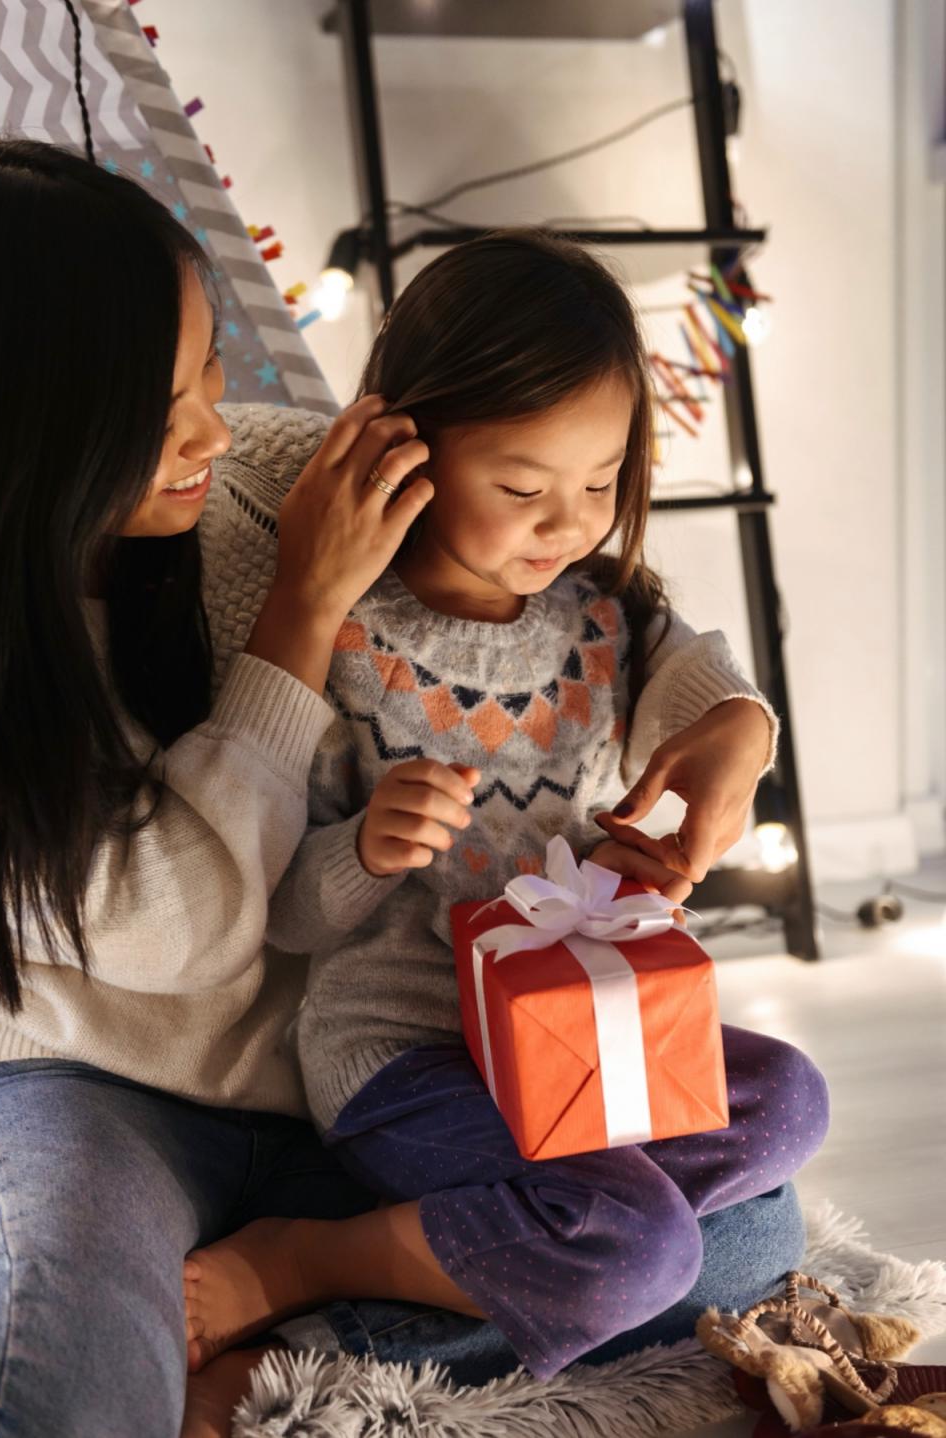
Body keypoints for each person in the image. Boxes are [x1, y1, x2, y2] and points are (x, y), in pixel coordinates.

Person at [181, 233, 830, 1419]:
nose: (568, 522)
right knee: (652, 1250)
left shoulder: (604, 618)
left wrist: (741, 729)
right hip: (410, 1062)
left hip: (582, 1044)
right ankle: (306, 1267)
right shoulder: (347, 635)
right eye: (524, 489)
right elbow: (281, 913)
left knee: (790, 1102)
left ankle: (498, 1241)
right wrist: (368, 846)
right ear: (412, 449)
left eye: (601, 482)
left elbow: (704, 685)